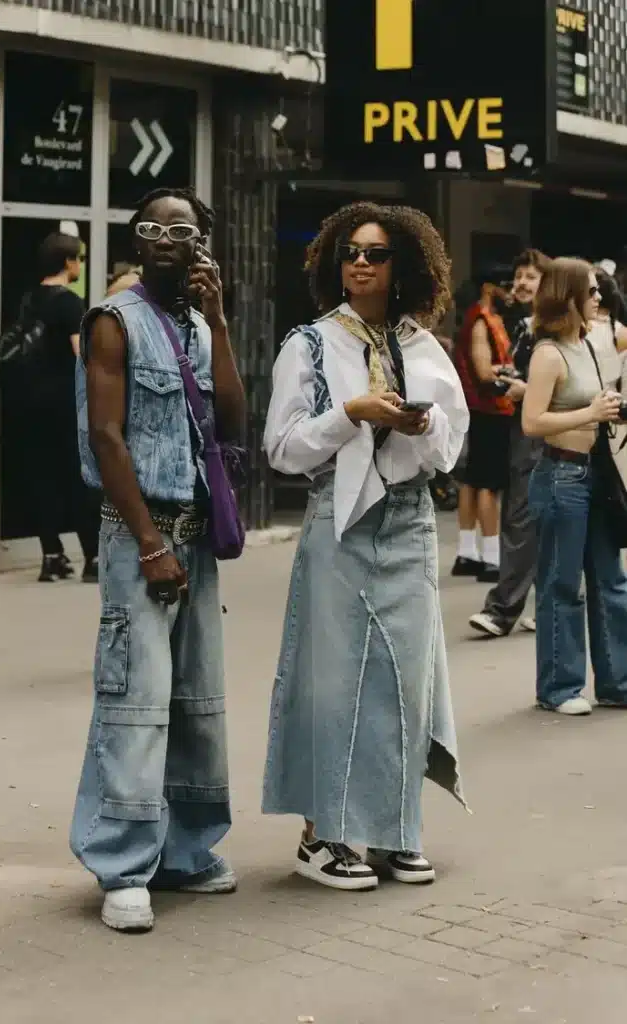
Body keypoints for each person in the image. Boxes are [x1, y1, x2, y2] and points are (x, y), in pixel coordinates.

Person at [262, 202, 469, 892]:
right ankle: (322, 836)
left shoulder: (422, 346)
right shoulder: (310, 344)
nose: (359, 262)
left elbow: (448, 450)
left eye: (375, 254)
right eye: (350, 251)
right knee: (335, 682)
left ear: (401, 266)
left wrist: (420, 420)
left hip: (408, 522)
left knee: (405, 682)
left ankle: (393, 831)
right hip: (339, 522)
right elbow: (282, 450)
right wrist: (349, 414)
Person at [70, 187, 246, 932]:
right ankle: (122, 866)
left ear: (204, 243)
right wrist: (147, 543)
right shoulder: (114, 321)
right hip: (137, 532)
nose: (166, 240)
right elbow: (106, 439)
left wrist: (221, 322)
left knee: (196, 704)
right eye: (152, 229)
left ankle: (188, 851)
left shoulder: (200, 326)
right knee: (135, 702)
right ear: (136, 245)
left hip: (197, 533)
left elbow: (235, 420)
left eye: (183, 229)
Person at [523, 258, 627, 715]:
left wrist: (613, 408)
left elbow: (595, 404)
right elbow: (533, 422)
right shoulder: (548, 353)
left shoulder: (586, 344)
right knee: (562, 584)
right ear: (569, 296)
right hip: (561, 476)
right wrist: (591, 413)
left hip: (595, 473)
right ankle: (560, 687)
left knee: (611, 580)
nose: (600, 296)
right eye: (592, 290)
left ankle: (617, 681)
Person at [469, 249, 550, 637]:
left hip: (538, 434)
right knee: (539, 520)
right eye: (518, 276)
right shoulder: (526, 326)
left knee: (520, 518)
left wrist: (523, 386)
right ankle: (548, 603)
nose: (519, 283)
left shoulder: (551, 329)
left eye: (529, 277)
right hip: (526, 430)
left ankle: (502, 610)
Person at [25, 232, 100, 583]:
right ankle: (93, 557)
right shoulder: (69, 303)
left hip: (32, 400)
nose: (80, 265)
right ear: (68, 262)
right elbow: (80, 354)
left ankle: (51, 556)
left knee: (43, 477)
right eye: (79, 259)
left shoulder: (28, 301)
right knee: (79, 476)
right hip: (65, 402)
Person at [452, 266, 520, 582]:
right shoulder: (480, 319)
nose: (512, 290)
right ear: (490, 287)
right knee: (489, 484)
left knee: (473, 479)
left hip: (481, 410)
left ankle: (467, 552)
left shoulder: (480, 317)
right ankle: (492, 557)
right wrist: (508, 373)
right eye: (507, 284)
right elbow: (483, 372)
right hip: (490, 409)